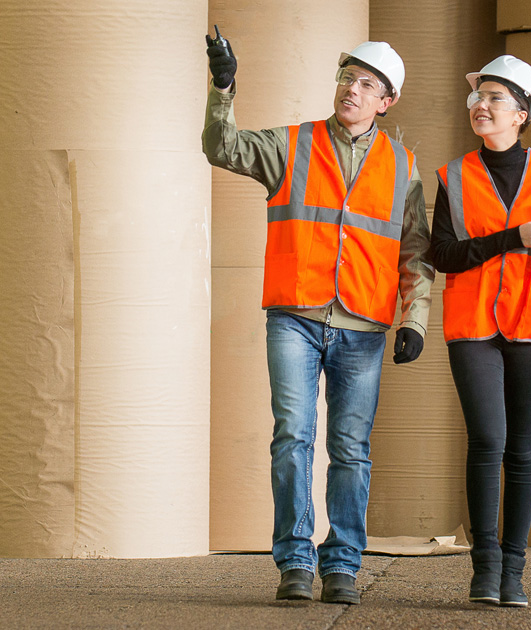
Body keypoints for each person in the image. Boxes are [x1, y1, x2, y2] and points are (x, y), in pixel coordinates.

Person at [202, 32, 434, 605]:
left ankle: (343, 566)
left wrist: (416, 320)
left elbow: (415, 254)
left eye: (366, 85)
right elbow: (220, 146)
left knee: (351, 448)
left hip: (363, 326)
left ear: (387, 101)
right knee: (293, 438)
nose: (351, 90)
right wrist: (223, 87)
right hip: (295, 316)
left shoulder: (404, 166)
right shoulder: (292, 144)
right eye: (346, 78)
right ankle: (296, 562)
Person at [429, 55, 531, 608]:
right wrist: (511, 238)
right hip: (472, 325)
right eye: (478, 97)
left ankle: (513, 572)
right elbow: (443, 255)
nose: (481, 105)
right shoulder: (453, 177)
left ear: (522, 113)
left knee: (522, 450)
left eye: (494, 98)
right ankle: (484, 567)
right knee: (487, 442)